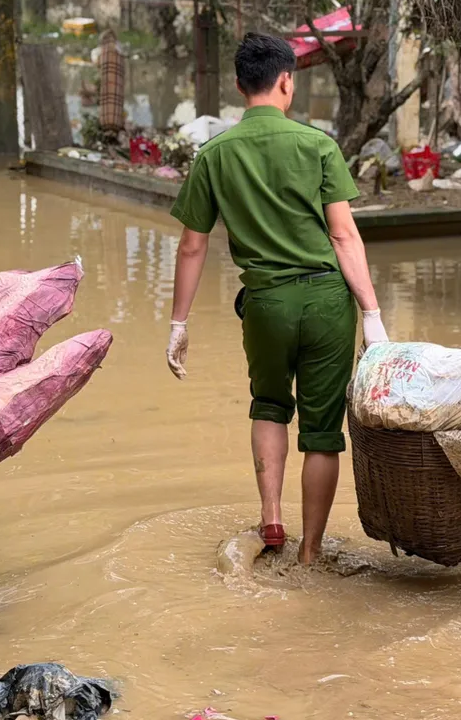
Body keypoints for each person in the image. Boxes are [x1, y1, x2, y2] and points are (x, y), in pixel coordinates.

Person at [166, 32, 389, 564]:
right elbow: (343, 236)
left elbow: (192, 246)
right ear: (287, 82)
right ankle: (310, 552)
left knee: (268, 406)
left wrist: (179, 323)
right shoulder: (318, 147)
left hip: (265, 303)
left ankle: (272, 517)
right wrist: (372, 314)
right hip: (326, 304)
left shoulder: (214, 154)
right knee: (320, 430)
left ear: (241, 86)